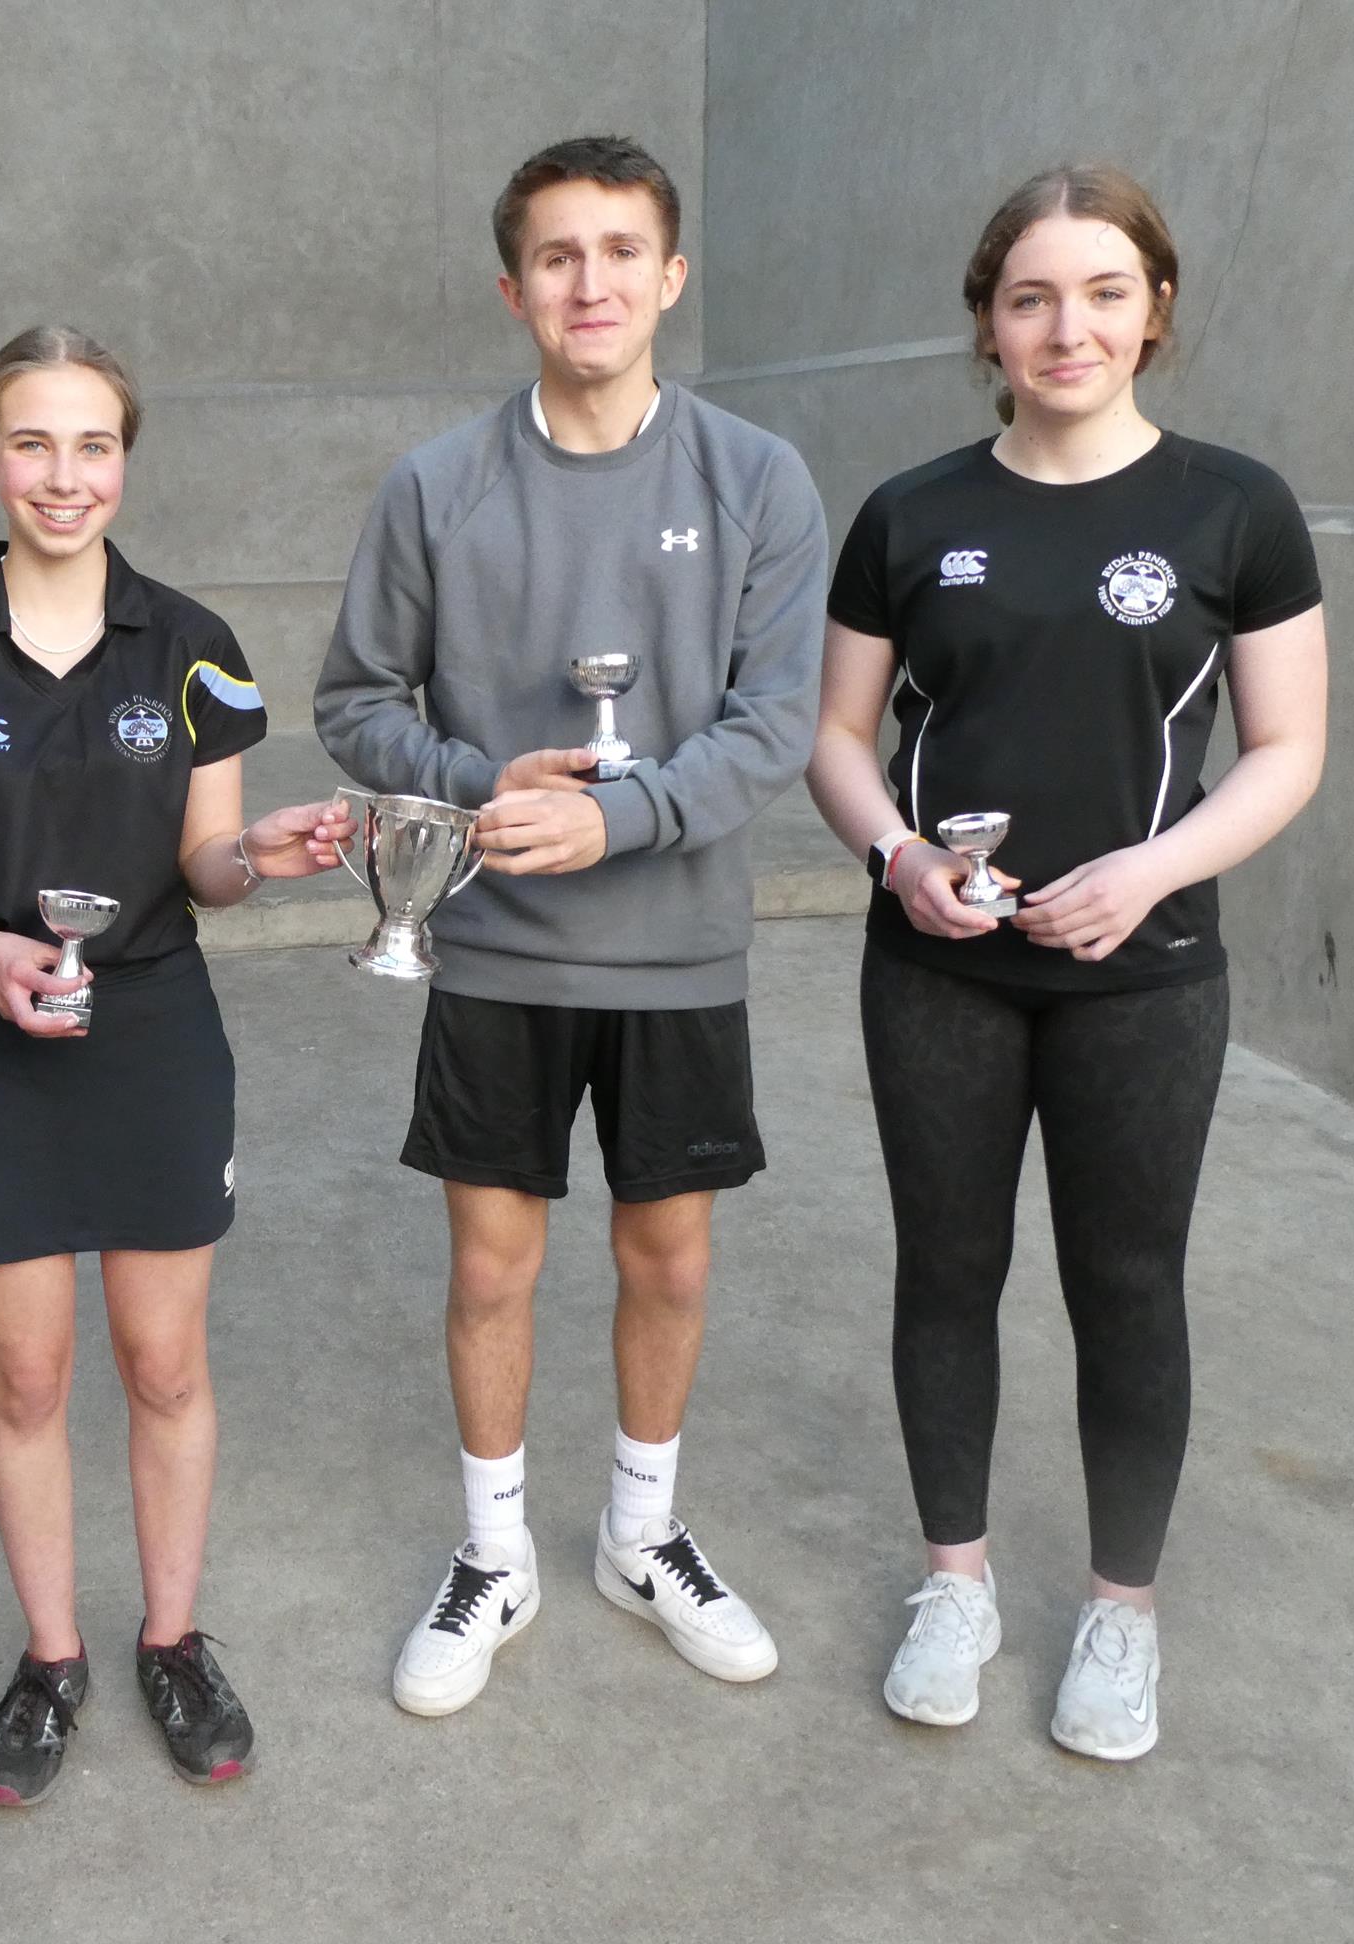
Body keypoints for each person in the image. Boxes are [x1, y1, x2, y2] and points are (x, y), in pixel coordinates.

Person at [804, 165, 1328, 1760]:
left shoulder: (1235, 508)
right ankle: (954, 1583)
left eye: (1105, 291)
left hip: (1148, 979)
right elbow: (836, 738)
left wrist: (1153, 872)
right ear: (987, 322)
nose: (1068, 325)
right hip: (940, 972)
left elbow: (1288, 747)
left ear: (1155, 310)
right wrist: (900, 859)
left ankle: (1120, 1614)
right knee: (948, 1275)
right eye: (1031, 296)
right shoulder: (913, 513)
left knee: (1126, 1287)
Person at [314, 136, 829, 1716]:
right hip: (502, 958)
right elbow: (352, 700)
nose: (589, 282)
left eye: (621, 251)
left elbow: (776, 723)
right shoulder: (439, 486)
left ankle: (639, 1534)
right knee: (491, 1268)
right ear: (513, 287)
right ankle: (494, 1556)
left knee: (667, 1259)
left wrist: (623, 813)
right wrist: (480, 788)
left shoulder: (756, 479)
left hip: (677, 950)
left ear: (670, 277)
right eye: (557, 255)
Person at [0, 326, 351, 1804]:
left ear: (126, 460)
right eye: (34, 443)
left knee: (163, 1358)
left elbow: (208, 860)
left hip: (151, 1033)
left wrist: (258, 854)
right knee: (25, 1371)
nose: (65, 477)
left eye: (94, 446)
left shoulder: (190, 645)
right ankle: (52, 1658)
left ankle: (172, 1640)